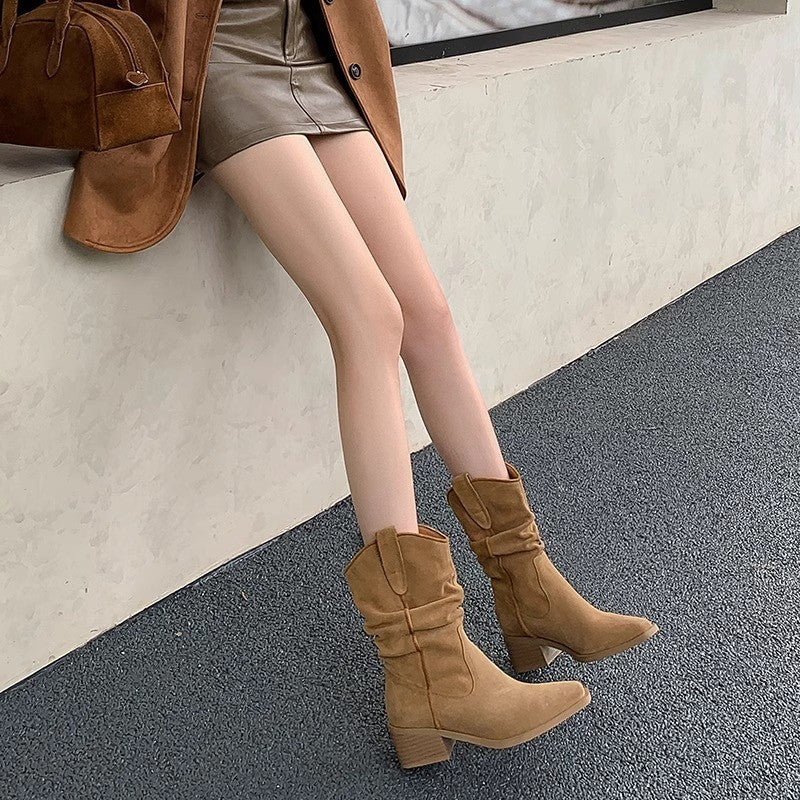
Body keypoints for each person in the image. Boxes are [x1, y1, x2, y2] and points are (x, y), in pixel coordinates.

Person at [196, 0, 659, 770]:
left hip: (311, 47)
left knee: (428, 315)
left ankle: (528, 586)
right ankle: (427, 663)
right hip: (217, 58)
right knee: (370, 319)